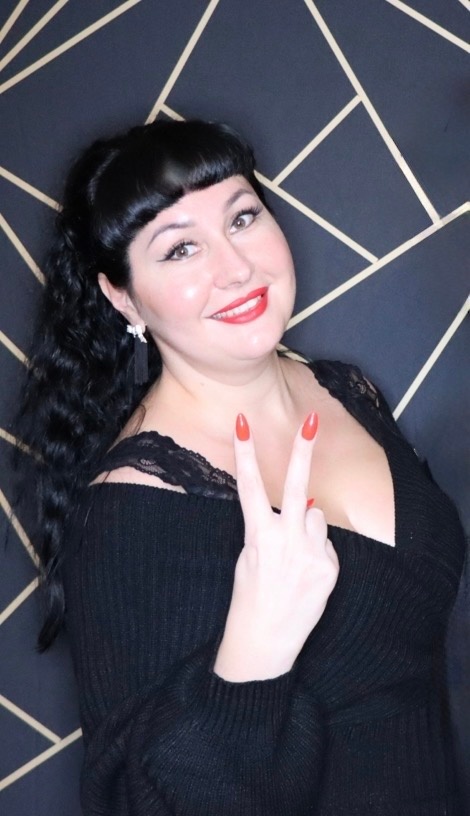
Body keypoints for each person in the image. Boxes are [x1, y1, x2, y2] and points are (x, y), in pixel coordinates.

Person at [17, 119, 466, 815]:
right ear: (123, 296)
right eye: (180, 248)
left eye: (242, 217)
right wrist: (253, 651)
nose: (235, 267)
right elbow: (144, 801)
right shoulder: (130, 513)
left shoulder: (344, 389)